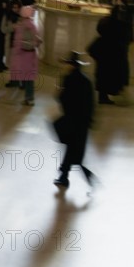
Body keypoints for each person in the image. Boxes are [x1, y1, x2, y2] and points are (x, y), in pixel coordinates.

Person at [53, 51, 96, 189]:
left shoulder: (69, 79)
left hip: (73, 121)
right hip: (82, 122)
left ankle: (79, 177)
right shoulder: (86, 81)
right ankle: (65, 176)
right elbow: (90, 104)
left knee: (74, 153)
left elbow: (63, 99)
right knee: (74, 151)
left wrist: (59, 93)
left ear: (72, 65)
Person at [9, 5, 40, 106]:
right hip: (31, 55)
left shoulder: (21, 26)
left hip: (22, 55)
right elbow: (36, 40)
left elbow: (18, 42)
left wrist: (14, 53)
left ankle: (28, 97)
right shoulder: (33, 25)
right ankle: (30, 98)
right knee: (29, 78)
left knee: (23, 76)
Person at [0, 0, 22, 87]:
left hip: (19, 43)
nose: (15, 9)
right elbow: (2, 29)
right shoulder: (7, 16)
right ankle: (14, 80)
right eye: (14, 7)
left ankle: (21, 81)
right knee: (12, 64)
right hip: (10, 43)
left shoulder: (22, 16)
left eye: (17, 7)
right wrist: (12, 27)